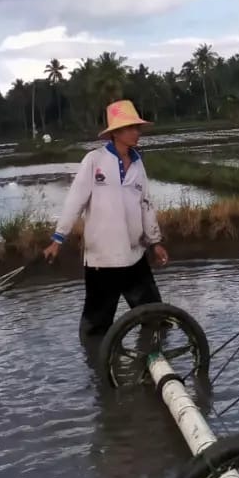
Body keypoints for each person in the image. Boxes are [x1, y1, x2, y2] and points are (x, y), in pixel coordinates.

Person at [43, 99, 170, 338]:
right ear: (116, 133)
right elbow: (75, 201)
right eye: (131, 127)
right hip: (103, 260)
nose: (136, 132)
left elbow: (146, 203)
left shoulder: (138, 162)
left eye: (137, 127)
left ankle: (153, 360)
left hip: (134, 255)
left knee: (156, 320)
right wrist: (58, 239)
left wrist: (155, 242)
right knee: (96, 330)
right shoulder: (94, 161)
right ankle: (96, 369)